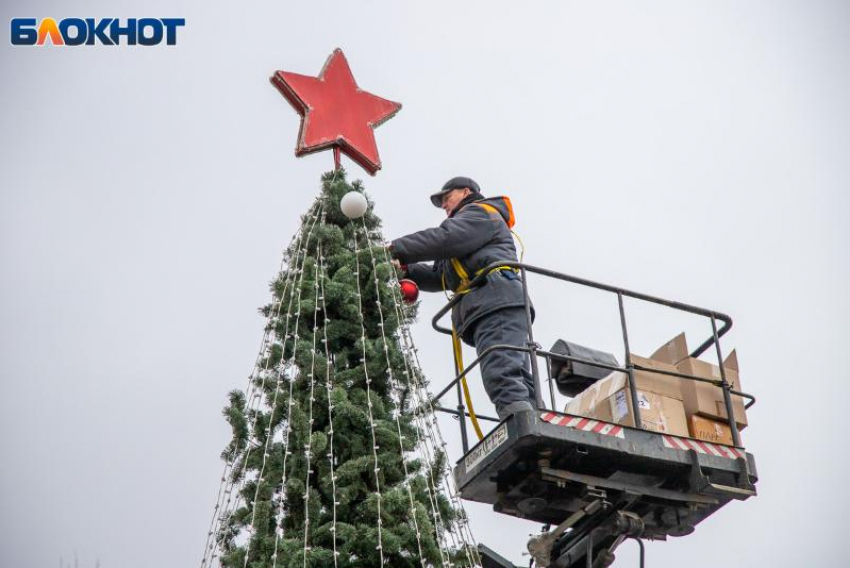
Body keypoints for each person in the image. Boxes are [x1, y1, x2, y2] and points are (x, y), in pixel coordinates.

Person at [389, 176, 536, 420]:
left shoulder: (480, 214)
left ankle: (522, 429)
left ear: (466, 192)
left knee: (502, 371)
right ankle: (528, 422)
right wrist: (404, 270)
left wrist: (394, 248)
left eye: (447, 198)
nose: (444, 205)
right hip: (491, 302)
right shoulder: (464, 232)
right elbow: (440, 277)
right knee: (513, 370)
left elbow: (444, 238)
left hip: (496, 300)